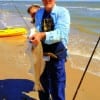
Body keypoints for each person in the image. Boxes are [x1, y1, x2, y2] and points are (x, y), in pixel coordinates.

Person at [29, 0, 70, 100]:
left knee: (57, 87)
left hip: (57, 55)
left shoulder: (62, 12)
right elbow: (38, 30)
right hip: (42, 55)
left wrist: (41, 35)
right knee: (43, 84)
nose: (47, 0)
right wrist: (33, 37)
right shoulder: (39, 13)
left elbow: (61, 34)